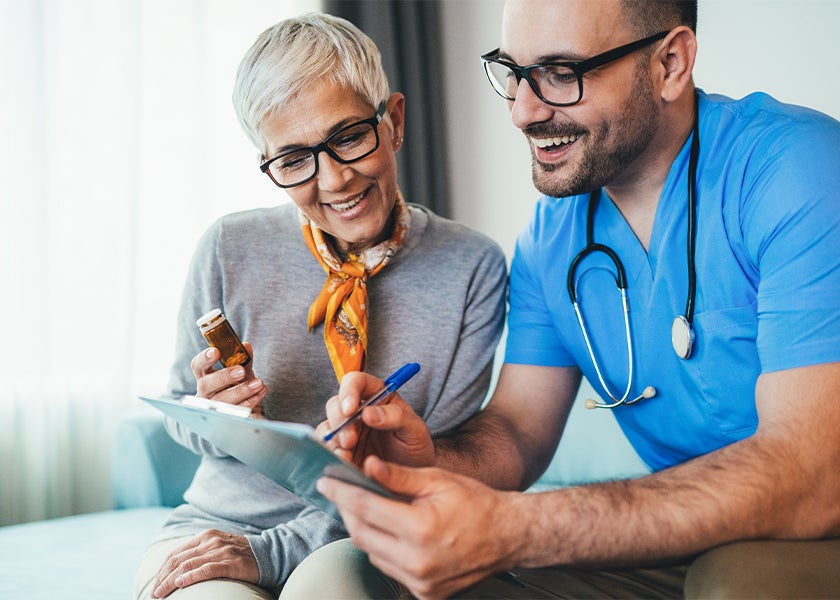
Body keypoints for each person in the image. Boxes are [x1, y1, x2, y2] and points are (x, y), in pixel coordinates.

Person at [283, 0, 840, 598]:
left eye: (560, 74)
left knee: (737, 582)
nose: (522, 112)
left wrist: (515, 528)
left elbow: (813, 479)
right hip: (693, 537)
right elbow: (518, 433)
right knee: (371, 578)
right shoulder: (553, 235)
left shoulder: (796, 169)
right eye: (513, 72)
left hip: (814, 526)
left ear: (670, 63)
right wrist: (421, 459)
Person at [132, 12, 507, 600]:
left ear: (396, 122)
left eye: (349, 136)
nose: (332, 181)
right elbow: (186, 422)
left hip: (373, 533)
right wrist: (221, 414)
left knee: (330, 587)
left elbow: (424, 474)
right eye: (293, 160)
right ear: (269, 164)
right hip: (220, 527)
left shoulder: (472, 269)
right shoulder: (228, 246)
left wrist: (274, 553)